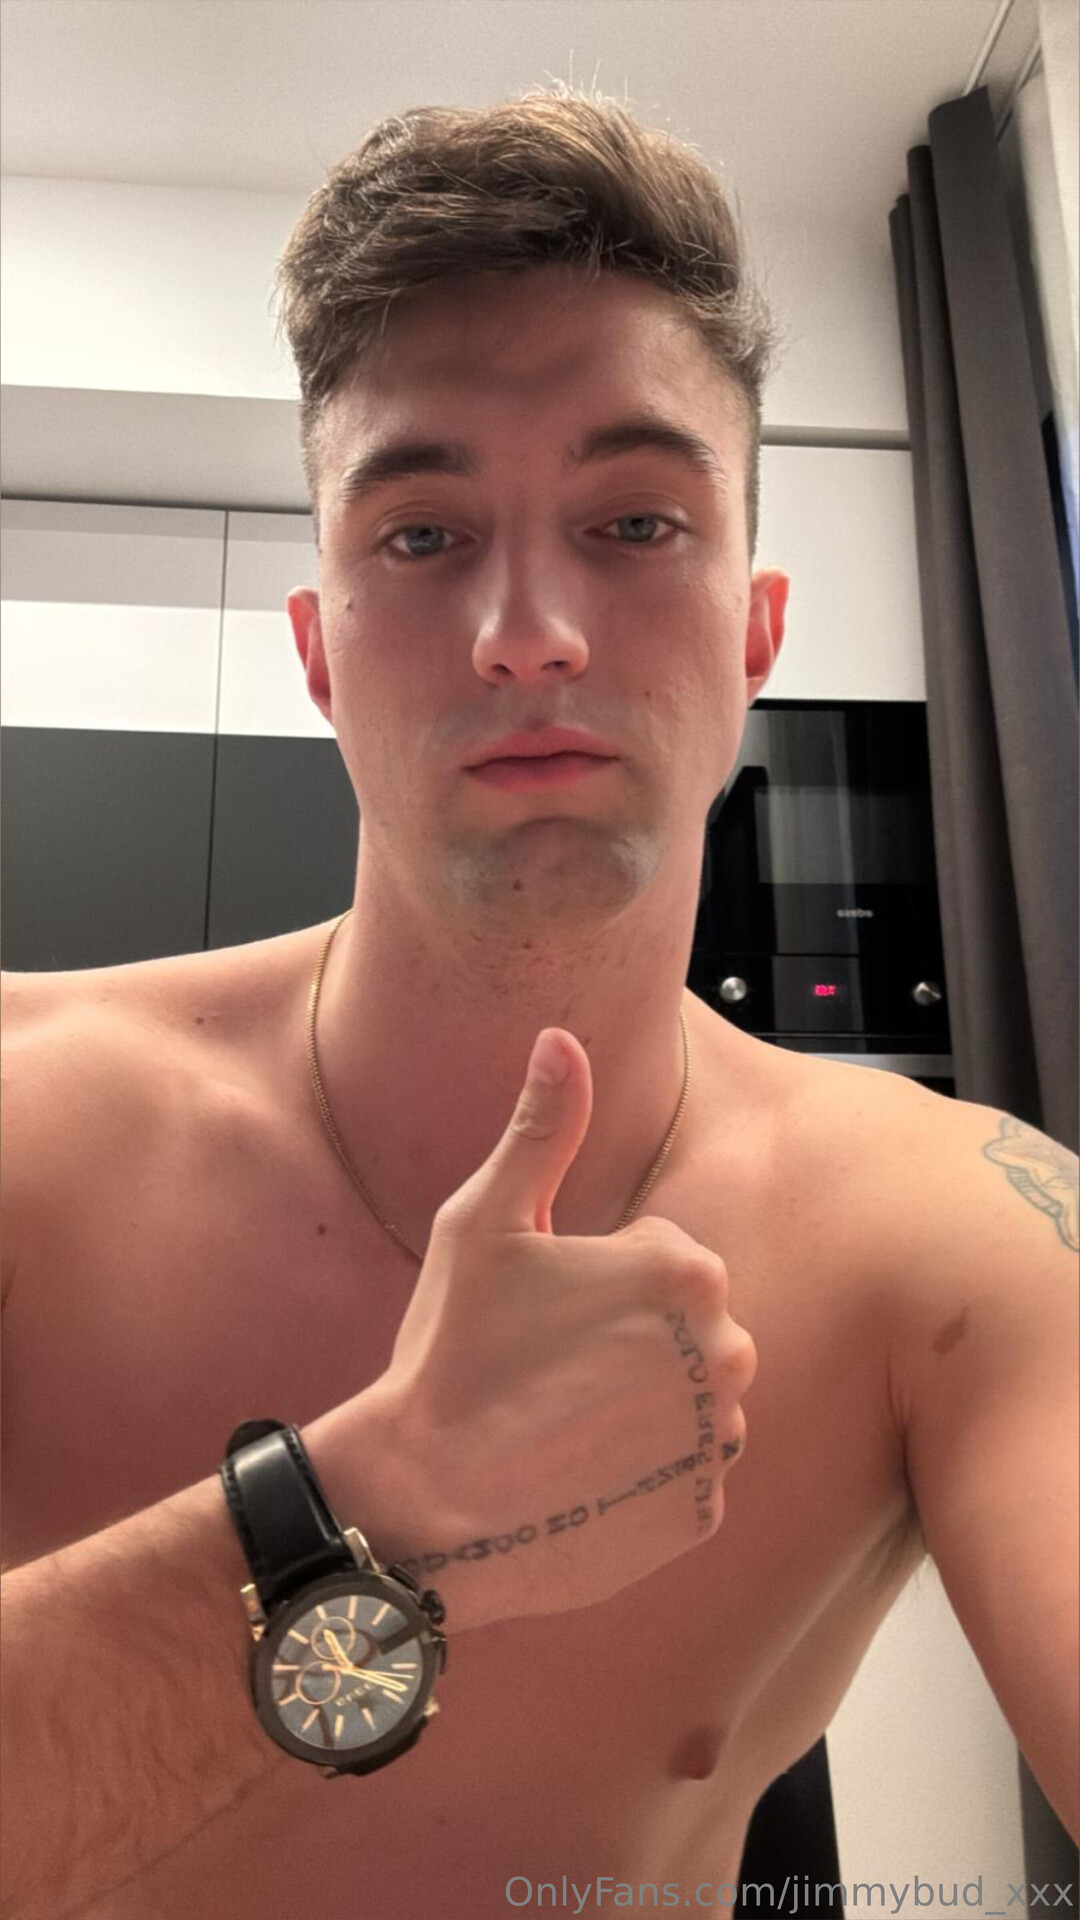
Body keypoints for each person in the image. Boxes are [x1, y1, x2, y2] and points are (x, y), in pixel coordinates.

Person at [1, 81, 1076, 1920]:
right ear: (320, 654)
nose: (529, 632)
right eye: (423, 536)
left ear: (757, 633)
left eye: (636, 522)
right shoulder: (23, 1125)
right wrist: (375, 1503)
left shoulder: (954, 1239)